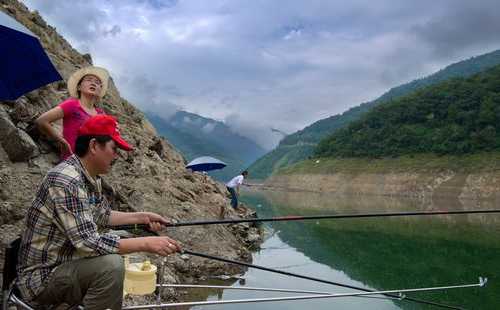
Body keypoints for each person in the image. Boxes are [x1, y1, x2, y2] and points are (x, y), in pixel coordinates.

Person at [17, 115, 181, 310]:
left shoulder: (90, 177)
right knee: (111, 267)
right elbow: (88, 243)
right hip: (42, 277)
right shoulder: (66, 180)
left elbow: (102, 215)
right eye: (114, 148)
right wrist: (146, 243)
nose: (117, 156)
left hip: (66, 263)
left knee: (114, 255)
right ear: (94, 146)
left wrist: (143, 216)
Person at [36, 66, 109, 160]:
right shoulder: (72, 105)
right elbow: (42, 121)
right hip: (71, 162)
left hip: (91, 166)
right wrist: (60, 140)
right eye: (89, 80)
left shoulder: (101, 114)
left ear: (100, 91)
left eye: (98, 83)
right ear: (79, 87)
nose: (93, 83)